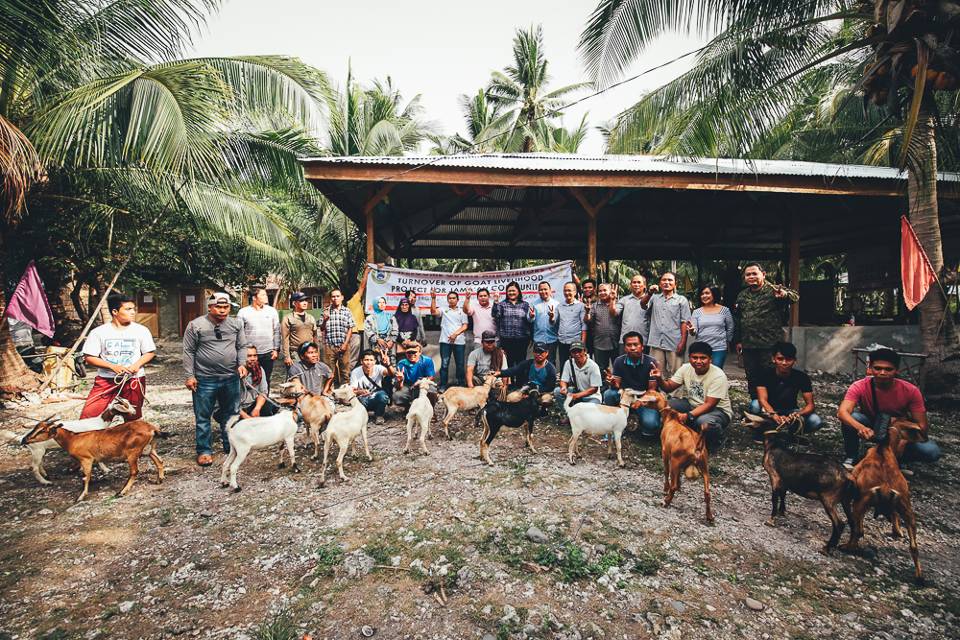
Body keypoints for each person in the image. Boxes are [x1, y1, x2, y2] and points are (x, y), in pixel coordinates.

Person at [837, 347, 941, 470]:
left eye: (888, 369)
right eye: (878, 368)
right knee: (853, 418)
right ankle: (852, 456)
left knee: (931, 451)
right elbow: (842, 412)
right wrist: (861, 428)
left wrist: (905, 439)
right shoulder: (859, 386)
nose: (882, 373)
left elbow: (922, 426)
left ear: (896, 370)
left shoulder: (911, 391)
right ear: (870, 368)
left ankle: (900, 460)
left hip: (898, 429)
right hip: (872, 424)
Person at [183, 292, 247, 466]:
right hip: (204, 379)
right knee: (203, 416)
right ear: (210, 307)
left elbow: (241, 346)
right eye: (218, 307)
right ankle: (204, 450)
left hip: (230, 377)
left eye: (226, 307)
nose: (222, 310)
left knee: (232, 414)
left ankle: (231, 446)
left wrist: (242, 364)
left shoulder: (236, 324)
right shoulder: (196, 325)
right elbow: (188, 351)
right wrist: (190, 375)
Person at [80, 293, 156, 420]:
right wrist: (112, 366)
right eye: (128, 309)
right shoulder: (99, 332)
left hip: (133, 380)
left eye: (133, 309)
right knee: (89, 415)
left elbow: (149, 352)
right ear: (115, 311)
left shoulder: (141, 330)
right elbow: (89, 357)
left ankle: (129, 439)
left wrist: (136, 365)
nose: (133, 312)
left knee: (132, 418)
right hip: (106, 380)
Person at [733, 263, 799, 399]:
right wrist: (738, 340)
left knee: (770, 375)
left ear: (763, 274)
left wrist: (784, 294)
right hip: (749, 345)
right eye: (748, 274)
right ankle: (755, 404)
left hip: (770, 345)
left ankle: (772, 406)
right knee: (752, 376)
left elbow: (795, 296)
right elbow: (739, 319)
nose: (751, 277)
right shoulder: (742, 295)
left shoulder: (773, 289)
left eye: (754, 273)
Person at [654, 341, 732, 449]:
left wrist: (688, 416)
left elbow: (710, 405)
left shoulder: (718, 375)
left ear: (710, 359)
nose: (698, 361)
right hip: (692, 405)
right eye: (694, 357)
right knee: (665, 406)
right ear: (689, 358)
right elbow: (668, 387)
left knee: (703, 422)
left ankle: (718, 438)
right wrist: (658, 378)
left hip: (718, 411)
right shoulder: (685, 368)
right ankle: (674, 433)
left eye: (703, 358)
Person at [748, 341, 821, 435]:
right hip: (769, 410)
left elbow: (810, 405)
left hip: (791, 411)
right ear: (773, 359)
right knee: (755, 405)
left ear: (794, 360)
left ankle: (791, 432)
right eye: (780, 359)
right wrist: (773, 414)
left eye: (788, 359)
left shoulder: (802, 377)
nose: (784, 363)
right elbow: (762, 400)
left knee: (816, 421)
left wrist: (798, 414)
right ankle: (762, 431)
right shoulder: (763, 374)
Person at [602, 331, 660, 436]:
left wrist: (639, 402)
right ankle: (615, 424)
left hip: (644, 398)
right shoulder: (619, 361)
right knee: (609, 394)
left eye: (636, 344)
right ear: (624, 348)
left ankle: (635, 420)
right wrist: (612, 382)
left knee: (651, 425)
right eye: (629, 345)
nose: (632, 348)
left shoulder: (651, 362)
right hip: (626, 396)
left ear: (642, 347)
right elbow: (617, 386)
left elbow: (652, 391)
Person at [642, 272, 691, 380]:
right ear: (660, 283)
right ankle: (661, 395)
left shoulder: (681, 300)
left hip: (674, 341)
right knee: (657, 371)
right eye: (664, 280)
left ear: (675, 284)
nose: (667, 282)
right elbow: (643, 305)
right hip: (656, 341)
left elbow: (684, 322)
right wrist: (649, 293)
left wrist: (683, 342)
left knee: (676, 371)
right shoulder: (654, 298)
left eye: (670, 280)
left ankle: (675, 396)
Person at [236, 286, 280, 383]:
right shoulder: (243, 312)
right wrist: (242, 352)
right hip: (249, 354)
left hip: (268, 353)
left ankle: (264, 397)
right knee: (247, 380)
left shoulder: (272, 311)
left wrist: (276, 349)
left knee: (266, 379)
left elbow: (276, 331)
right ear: (254, 298)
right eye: (263, 295)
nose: (266, 297)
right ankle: (249, 398)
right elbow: (239, 333)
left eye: (266, 294)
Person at [431, 289, 468, 390]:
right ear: (447, 300)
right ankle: (443, 385)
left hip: (459, 342)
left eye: (453, 298)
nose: (451, 300)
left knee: (460, 365)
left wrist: (455, 334)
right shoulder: (444, 309)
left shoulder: (462, 311)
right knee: (444, 364)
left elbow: (465, 326)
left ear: (457, 299)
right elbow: (434, 312)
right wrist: (433, 298)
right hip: (445, 342)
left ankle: (460, 384)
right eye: (449, 298)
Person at [690, 285, 735, 368]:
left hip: (719, 348)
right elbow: (694, 331)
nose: (704, 296)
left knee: (716, 372)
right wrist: (692, 330)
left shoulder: (725, 310)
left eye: (707, 293)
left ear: (714, 294)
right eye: (702, 294)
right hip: (702, 348)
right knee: (703, 372)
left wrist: (727, 341)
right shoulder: (696, 312)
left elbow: (730, 328)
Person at [492, 280, 533, 367]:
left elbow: (529, 322)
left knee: (521, 363)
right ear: (506, 292)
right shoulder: (502, 304)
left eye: (513, 290)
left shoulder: (525, 305)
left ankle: (520, 381)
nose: (511, 293)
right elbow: (495, 315)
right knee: (508, 364)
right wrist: (495, 302)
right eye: (509, 291)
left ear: (518, 291)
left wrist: (531, 337)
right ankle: (510, 381)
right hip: (506, 340)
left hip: (522, 340)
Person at [320, 287, 355, 387]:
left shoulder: (347, 311)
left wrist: (345, 344)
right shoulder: (326, 311)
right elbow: (322, 328)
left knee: (345, 371)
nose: (335, 298)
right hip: (329, 346)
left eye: (337, 296)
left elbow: (350, 329)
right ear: (331, 298)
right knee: (329, 371)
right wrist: (325, 320)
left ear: (342, 297)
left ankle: (344, 394)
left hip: (343, 345)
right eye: (333, 296)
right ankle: (329, 392)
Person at [554, 341, 602, 410]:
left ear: (585, 351)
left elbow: (594, 389)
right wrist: (563, 387)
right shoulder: (568, 363)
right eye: (574, 352)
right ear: (571, 353)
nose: (577, 354)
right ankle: (567, 414)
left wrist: (577, 396)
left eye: (579, 351)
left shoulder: (593, 366)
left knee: (587, 412)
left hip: (591, 397)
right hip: (576, 392)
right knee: (557, 391)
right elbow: (563, 380)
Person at [350, 349, 394, 424]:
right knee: (357, 401)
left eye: (371, 360)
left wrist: (388, 364)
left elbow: (391, 374)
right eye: (366, 360)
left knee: (383, 396)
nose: (369, 362)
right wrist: (360, 391)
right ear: (361, 361)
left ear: (375, 361)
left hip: (376, 396)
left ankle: (379, 415)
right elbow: (352, 390)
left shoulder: (378, 368)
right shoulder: (355, 372)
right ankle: (362, 415)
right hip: (363, 398)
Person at [584, 283, 620, 375]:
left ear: (610, 291)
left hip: (615, 342)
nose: (602, 293)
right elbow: (588, 321)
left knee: (617, 367)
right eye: (600, 291)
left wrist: (612, 300)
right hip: (599, 343)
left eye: (605, 290)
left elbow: (615, 313)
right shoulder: (594, 306)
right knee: (600, 369)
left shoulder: (618, 304)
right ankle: (602, 387)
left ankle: (617, 386)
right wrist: (587, 312)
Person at [392, 342, 437, 410]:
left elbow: (431, 377)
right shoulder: (401, 363)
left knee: (431, 390)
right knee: (397, 396)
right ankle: (408, 407)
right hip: (408, 386)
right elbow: (398, 386)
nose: (411, 354)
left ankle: (431, 410)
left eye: (414, 352)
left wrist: (419, 382)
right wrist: (400, 380)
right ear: (405, 353)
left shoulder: (427, 361)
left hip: (422, 384)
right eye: (409, 352)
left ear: (420, 352)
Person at [281, 291, 317, 372]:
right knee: (296, 376)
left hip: (310, 352)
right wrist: (287, 357)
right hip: (295, 353)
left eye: (306, 300)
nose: (305, 303)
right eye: (301, 301)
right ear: (294, 303)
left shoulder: (311, 318)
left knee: (310, 375)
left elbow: (315, 336)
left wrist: (316, 354)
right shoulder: (288, 318)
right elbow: (285, 339)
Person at [555, 281, 586, 373]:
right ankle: (564, 384)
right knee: (563, 365)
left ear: (575, 292)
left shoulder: (581, 306)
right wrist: (552, 317)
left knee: (577, 365)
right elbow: (554, 322)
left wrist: (583, 344)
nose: (567, 293)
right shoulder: (559, 306)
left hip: (575, 342)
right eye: (565, 290)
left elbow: (584, 326)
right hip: (562, 341)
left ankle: (577, 385)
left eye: (569, 290)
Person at [239, 345, 276, 419]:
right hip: (237, 408)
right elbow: (230, 402)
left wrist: (257, 408)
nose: (252, 359)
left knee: (269, 406)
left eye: (255, 356)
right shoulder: (234, 373)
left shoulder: (259, 369)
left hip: (251, 404)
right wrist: (247, 418)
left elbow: (263, 392)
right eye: (249, 356)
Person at [617, 274, 651, 352]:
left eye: (639, 282)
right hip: (625, 341)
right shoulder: (624, 300)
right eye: (634, 282)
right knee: (624, 363)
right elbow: (614, 313)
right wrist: (612, 300)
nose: (636, 285)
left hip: (644, 341)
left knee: (643, 363)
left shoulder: (651, 300)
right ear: (630, 285)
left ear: (644, 285)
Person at [346, 266, 371, 370]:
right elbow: (362, 286)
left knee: (357, 357)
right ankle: (349, 377)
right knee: (353, 358)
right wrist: (366, 271)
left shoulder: (355, 304)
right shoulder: (353, 302)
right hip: (355, 333)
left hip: (359, 332)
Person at [364, 296, 399, 366]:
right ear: (375, 304)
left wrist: (391, 341)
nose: (382, 304)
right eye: (379, 302)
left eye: (383, 302)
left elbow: (395, 329)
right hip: (375, 346)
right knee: (375, 364)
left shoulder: (391, 317)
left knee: (391, 363)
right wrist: (377, 339)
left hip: (389, 345)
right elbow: (368, 330)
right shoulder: (370, 318)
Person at [531, 281, 560, 364]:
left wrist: (551, 317)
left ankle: (551, 377)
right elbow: (530, 320)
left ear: (550, 290)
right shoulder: (534, 304)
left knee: (551, 362)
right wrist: (531, 316)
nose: (543, 291)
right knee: (538, 362)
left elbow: (555, 322)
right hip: (538, 339)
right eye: (541, 290)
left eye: (545, 289)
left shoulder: (556, 304)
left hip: (552, 339)